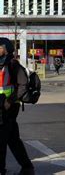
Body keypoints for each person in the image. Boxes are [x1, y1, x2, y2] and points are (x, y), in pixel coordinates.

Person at [0, 38, 35, 175]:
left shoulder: (13, 65)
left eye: (0, 47)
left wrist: (10, 101)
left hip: (8, 108)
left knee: (2, 140)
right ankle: (27, 167)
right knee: (13, 139)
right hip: (2, 107)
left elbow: (23, 86)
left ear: (7, 49)